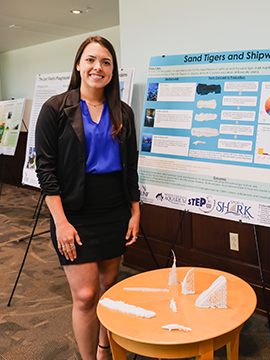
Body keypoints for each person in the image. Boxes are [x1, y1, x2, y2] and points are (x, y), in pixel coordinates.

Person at [35, 36, 140, 360]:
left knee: (109, 291)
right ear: (79, 64)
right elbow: (46, 170)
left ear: (113, 70)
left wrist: (135, 212)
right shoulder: (55, 108)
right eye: (91, 59)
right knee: (84, 295)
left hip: (115, 210)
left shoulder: (122, 111)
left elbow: (131, 167)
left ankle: (104, 349)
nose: (98, 67)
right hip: (74, 212)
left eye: (106, 62)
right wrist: (61, 222)